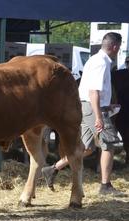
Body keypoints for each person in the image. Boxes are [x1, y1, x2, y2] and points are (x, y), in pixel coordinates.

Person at [42, 32, 124, 196]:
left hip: (87, 106)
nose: (119, 50)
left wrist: (106, 105)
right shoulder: (101, 63)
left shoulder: (94, 60)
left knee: (86, 148)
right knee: (109, 144)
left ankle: (52, 169)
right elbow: (94, 91)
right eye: (119, 47)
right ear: (115, 47)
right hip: (94, 108)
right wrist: (99, 116)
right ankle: (105, 185)